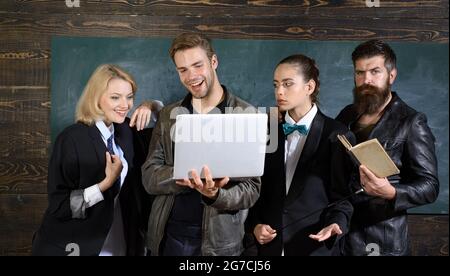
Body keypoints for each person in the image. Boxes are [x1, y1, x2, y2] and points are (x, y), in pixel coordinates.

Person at [141, 32, 261, 256]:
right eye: (182, 70)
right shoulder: (168, 115)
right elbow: (149, 177)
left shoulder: (246, 114)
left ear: (213, 62)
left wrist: (215, 194)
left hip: (219, 246)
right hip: (168, 238)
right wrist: (185, 178)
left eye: (197, 65)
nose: (191, 76)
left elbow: (251, 190)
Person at [32, 64, 160, 256]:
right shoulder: (71, 139)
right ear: (96, 98)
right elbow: (59, 206)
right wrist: (104, 185)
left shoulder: (126, 131)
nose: (125, 105)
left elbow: (165, 133)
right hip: (77, 245)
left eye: (130, 97)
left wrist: (152, 105)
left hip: (120, 241)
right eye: (115, 97)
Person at [336, 39, 439, 256]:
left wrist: (391, 192)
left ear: (391, 76)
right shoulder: (346, 114)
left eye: (375, 72)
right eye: (360, 73)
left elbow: (430, 186)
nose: (366, 80)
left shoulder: (412, 122)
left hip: (382, 242)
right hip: (341, 236)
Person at [245, 54, 354, 256]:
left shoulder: (337, 134)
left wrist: (336, 223)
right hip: (270, 248)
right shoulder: (265, 130)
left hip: (314, 247)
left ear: (309, 87)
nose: (279, 91)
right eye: (276, 84)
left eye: (288, 84)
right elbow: (254, 188)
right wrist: (255, 224)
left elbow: (343, 196)